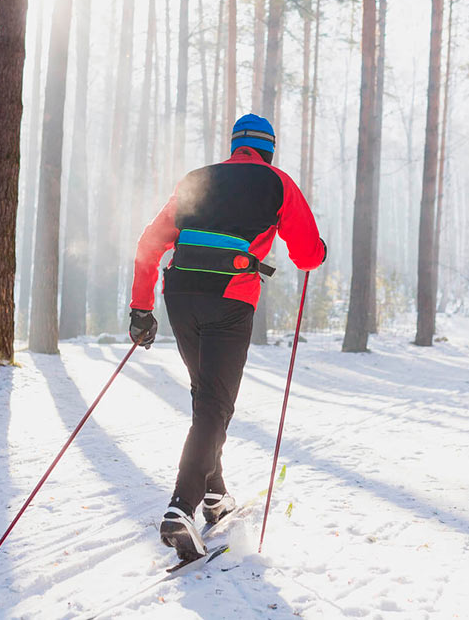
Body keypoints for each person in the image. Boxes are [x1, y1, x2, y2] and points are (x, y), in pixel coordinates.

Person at [127, 113, 326, 561]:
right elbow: (308, 253)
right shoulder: (277, 182)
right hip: (231, 299)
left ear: (234, 145)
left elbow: (148, 243)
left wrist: (141, 309)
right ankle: (182, 506)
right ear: (269, 148)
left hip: (179, 295)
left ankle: (215, 494)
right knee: (216, 403)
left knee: (206, 398)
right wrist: (321, 251)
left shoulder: (196, 179)